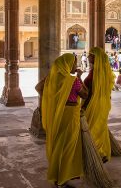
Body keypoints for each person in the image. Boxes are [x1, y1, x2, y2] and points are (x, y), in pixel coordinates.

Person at [38, 53, 88, 187]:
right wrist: (79, 77)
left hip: (57, 113)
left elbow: (39, 88)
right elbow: (85, 94)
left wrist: (53, 100)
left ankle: (56, 176)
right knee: (68, 145)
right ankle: (63, 178)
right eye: (74, 63)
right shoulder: (72, 81)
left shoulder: (51, 79)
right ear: (67, 65)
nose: (75, 66)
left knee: (59, 143)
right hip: (70, 114)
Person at [83, 47, 115, 162]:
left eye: (90, 55)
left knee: (93, 128)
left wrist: (84, 105)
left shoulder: (97, 72)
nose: (88, 57)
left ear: (96, 57)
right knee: (98, 126)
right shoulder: (101, 71)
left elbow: (91, 91)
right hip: (101, 102)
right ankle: (100, 152)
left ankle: (97, 153)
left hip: (94, 103)